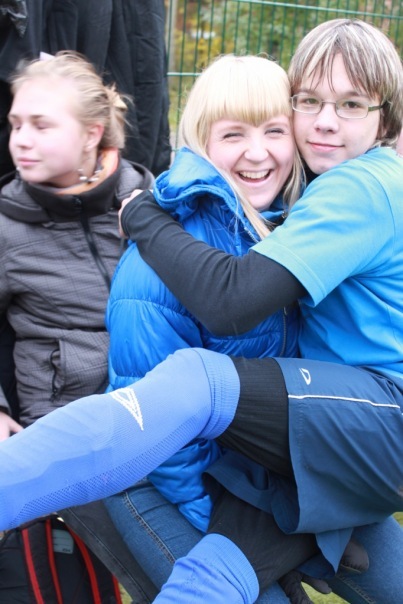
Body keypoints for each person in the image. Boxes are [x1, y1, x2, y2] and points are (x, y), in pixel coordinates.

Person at [0, 17, 402, 602]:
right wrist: (230, 526)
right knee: (221, 576)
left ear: (384, 118)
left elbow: (232, 301)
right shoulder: (215, 242)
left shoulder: (334, 199)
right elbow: (157, 419)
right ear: (201, 142)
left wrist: (142, 216)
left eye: (351, 104)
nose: (324, 122)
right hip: (198, 478)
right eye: (310, 101)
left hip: (317, 453)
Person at [102, 53, 308, 603]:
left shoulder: (298, 227)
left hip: (254, 478)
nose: (258, 152)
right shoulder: (159, 264)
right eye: (233, 134)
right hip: (162, 476)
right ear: (201, 142)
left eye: (274, 130)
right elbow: (155, 427)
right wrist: (237, 541)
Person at [0, 49, 155, 596]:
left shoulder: (148, 201)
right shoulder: (6, 226)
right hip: (61, 434)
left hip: (153, 419)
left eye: (42, 125)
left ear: (93, 134)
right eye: (16, 123)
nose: (21, 139)